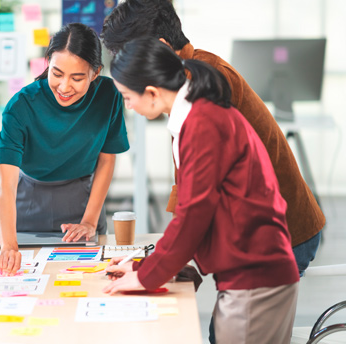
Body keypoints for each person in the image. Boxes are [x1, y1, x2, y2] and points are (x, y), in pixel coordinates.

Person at [100, 0, 325, 276]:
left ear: (159, 48)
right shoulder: (185, 79)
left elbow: (200, 196)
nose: (128, 97)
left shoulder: (203, 84)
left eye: (130, 57)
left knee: (232, 319)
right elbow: (188, 184)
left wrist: (162, 262)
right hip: (254, 234)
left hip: (278, 234)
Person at [104, 37, 300, 344]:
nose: (128, 106)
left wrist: (145, 277)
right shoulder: (197, 115)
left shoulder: (202, 122)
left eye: (127, 97)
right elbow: (200, 212)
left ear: (152, 93)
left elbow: (194, 214)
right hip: (251, 273)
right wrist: (145, 265)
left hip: (255, 277)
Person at [0, 23, 129, 275]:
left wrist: (89, 221)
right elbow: (6, 184)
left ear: (95, 72)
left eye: (77, 78)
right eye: (56, 73)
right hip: (26, 206)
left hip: (82, 203)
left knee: (88, 285)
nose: (65, 87)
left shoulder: (109, 95)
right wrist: (9, 245)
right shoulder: (21, 105)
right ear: (47, 62)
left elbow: (106, 160)